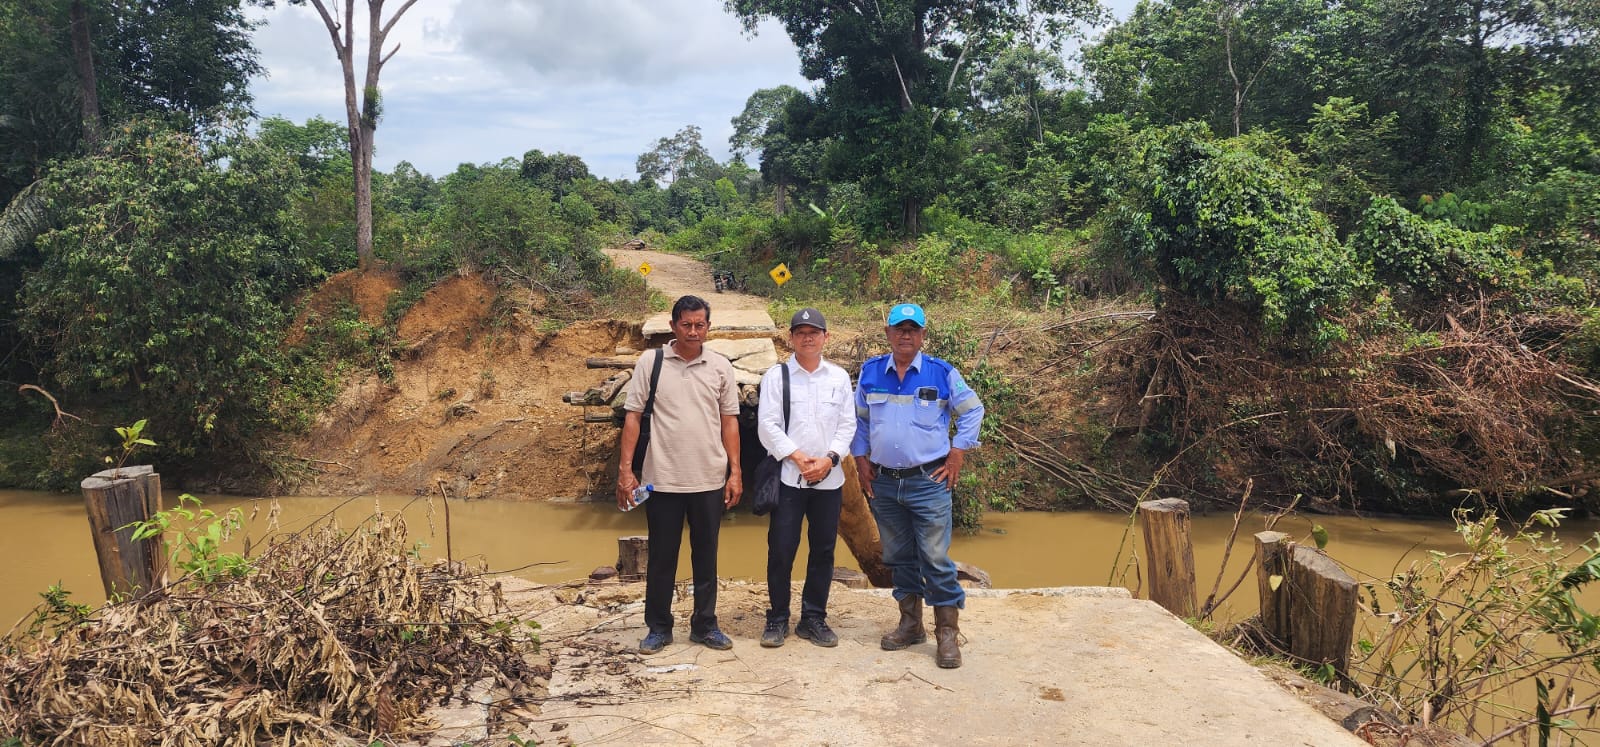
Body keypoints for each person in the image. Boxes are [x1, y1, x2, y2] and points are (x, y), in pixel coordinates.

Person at [851, 302, 984, 668]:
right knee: (899, 558)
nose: (905, 335)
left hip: (929, 481)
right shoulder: (871, 372)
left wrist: (957, 453)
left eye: (913, 329)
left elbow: (973, 410)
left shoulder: (942, 373)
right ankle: (910, 625)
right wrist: (860, 460)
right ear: (888, 334)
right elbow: (859, 421)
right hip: (885, 483)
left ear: (923, 335)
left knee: (936, 558)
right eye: (899, 328)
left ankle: (947, 636)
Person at [617, 295, 743, 654]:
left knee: (706, 556)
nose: (693, 331)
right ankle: (658, 627)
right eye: (686, 324)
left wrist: (735, 472)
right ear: (673, 326)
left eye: (699, 325)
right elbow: (633, 417)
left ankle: (705, 624)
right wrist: (626, 472)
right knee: (661, 557)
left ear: (708, 327)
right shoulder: (652, 362)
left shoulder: (720, 366)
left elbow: (730, 421)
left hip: (709, 478)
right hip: (663, 479)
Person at [756, 308, 857, 648]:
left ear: (826, 337)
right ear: (791, 338)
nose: (808, 337)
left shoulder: (839, 378)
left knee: (824, 550)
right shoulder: (777, 376)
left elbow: (848, 425)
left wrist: (829, 459)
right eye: (801, 332)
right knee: (781, 549)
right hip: (789, 479)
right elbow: (767, 425)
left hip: (829, 481)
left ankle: (813, 618)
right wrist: (798, 457)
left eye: (814, 332)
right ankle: (778, 618)